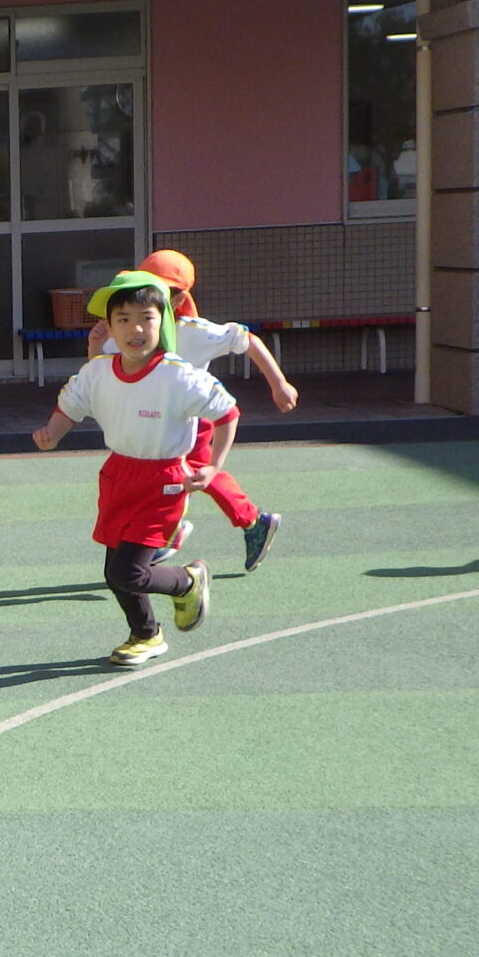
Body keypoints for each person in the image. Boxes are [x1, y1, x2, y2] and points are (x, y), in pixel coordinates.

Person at [31, 272, 233, 667]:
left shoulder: (178, 374)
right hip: (118, 476)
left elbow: (227, 412)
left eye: (146, 318)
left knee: (129, 572)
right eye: (123, 319)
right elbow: (70, 406)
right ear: (109, 327)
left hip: (163, 481)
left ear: (164, 322)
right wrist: (51, 434)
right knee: (115, 572)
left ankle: (188, 580)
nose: (135, 329)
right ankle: (146, 634)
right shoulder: (98, 371)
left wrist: (213, 467)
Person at [85, 248, 291, 571]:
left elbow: (248, 340)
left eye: (161, 292)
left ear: (180, 298)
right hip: (150, 422)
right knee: (174, 474)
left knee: (191, 473)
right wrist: (95, 347)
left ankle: (242, 522)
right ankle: (179, 530)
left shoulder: (195, 332)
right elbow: (102, 372)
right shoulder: (132, 329)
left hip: (190, 422)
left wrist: (278, 383)